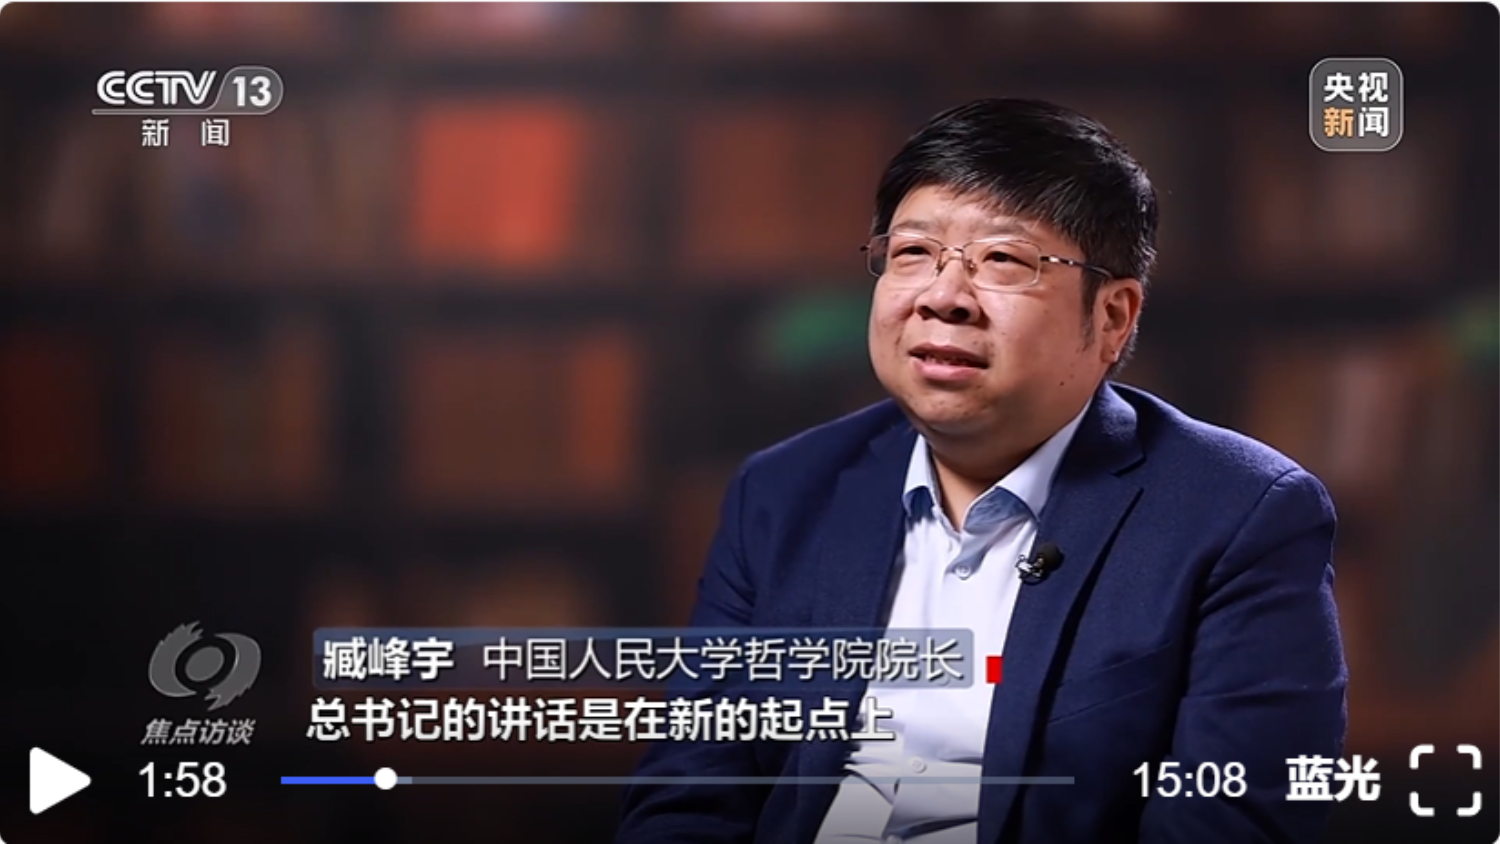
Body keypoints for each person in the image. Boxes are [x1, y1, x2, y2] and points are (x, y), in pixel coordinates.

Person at [615, 98, 1347, 844]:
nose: (942, 298)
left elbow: (1230, 823)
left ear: (1112, 317)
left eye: (1004, 260)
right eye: (912, 253)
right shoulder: (784, 491)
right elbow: (689, 791)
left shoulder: (1241, 515)